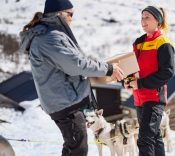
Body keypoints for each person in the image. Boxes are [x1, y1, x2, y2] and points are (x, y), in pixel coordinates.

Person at [19, 0, 124, 155]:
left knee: (74, 146)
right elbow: (76, 65)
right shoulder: (50, 38)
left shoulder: (50, 35)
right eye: (71, 14)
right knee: (78, 148)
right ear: (59, 13)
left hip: (63, 100)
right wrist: (107, 69)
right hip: (65, 103)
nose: (72, 18)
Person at [124, 6, 175, 156]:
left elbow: (167, 72)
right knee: (154, 137)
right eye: (142, 17)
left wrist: (140, 83)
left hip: (154, 98)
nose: (143, 20)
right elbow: (132, 67)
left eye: (147, 17)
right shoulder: (139, 42)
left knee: (144, 139)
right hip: (139, 98)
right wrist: (128, 81)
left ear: (157, 21)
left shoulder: (163, 43)